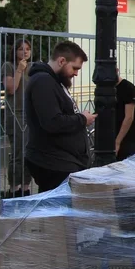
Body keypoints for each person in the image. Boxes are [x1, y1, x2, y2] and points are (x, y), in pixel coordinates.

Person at [24, 41, 96, 191]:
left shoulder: (54, 82)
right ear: (62, 61)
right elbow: (52, 121)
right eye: (74, 68)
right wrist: (82, 119)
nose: (76, 73)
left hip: (61, 161)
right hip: (54, 162)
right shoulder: (43, 81)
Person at [1, 38, 32, 196]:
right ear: (15, 51)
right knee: (18, 152)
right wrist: (19, 70)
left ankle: (26, 187)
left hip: (30, 114)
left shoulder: (32, 67)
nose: (25, 52)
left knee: (29, 152)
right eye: (21, 49)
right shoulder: (9, 66)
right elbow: (11, 89)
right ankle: (14, 188)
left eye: (27, 49)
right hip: (15, 114)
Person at [115, 71, 135, 160]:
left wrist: (117, 142)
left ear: (117, 71)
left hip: (129, 138)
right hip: (114, 134)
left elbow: (129, 117)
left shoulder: (128, 88)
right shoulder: (108, 88)